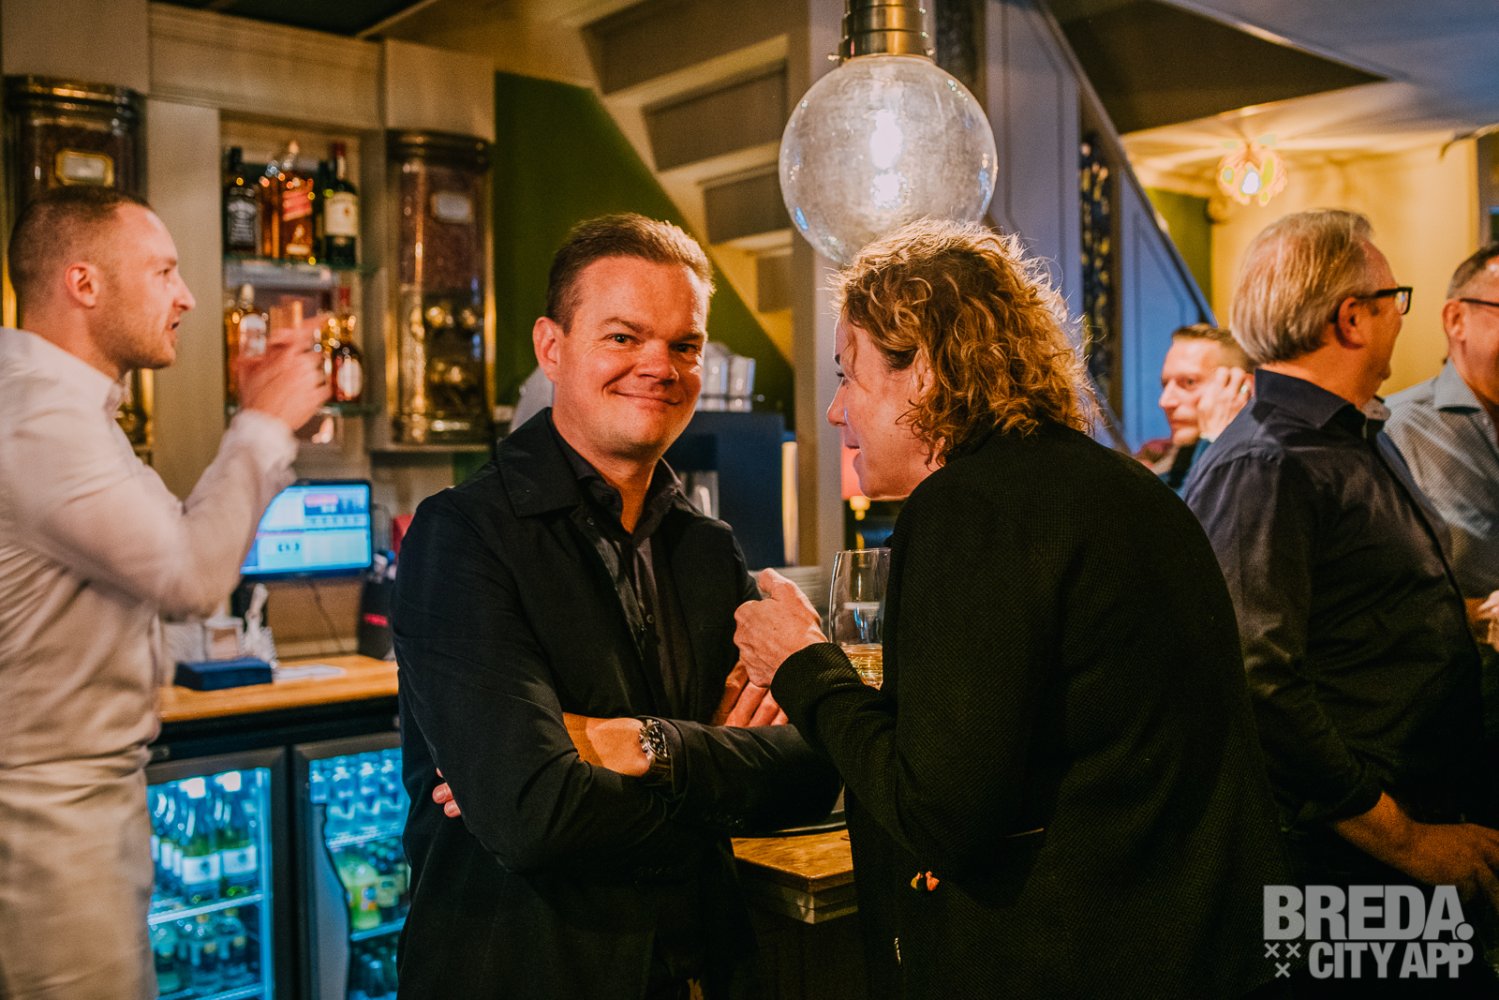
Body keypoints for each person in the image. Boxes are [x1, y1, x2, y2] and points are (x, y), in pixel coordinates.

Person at [733, 218, 1287, 998]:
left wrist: (802, 665)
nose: (835, 411)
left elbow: (939, 816)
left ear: (923, 371)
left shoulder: (968, 507)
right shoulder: (1123, 486)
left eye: (847, 375)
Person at [393, 213, 838, 999]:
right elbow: (534, 817)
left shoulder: (708, 549)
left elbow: (812, 771)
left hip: (699, 971)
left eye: (684, 345)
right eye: (623, 337)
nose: (658, 366)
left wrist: (641, 747)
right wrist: (715, 771)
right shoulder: (463, 533)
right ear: (551, 347)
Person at [0, 186, 327, 999]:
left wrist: (255, 423)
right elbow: (191, 579)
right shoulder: (39, 418)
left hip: (79, 802)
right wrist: (262, 426)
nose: (185, 297)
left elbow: (178, 542)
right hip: (46, 818)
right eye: (163, 272)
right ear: (84, 283)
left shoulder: (73, 413)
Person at [1184, 209, 1499, 993]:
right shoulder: (1268, 460)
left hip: (1405, 835)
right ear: (1351, 318)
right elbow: (1255, 683)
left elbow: (1364, 616)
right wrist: (1410, 841)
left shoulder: (1348, 438)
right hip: (1348, 860)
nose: (1401, 315)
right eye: (1393, 298)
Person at [1137, 322, 1253, 491]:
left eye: (1189, 382)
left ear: (1241, 386)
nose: (1165, 402)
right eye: (1165, 384)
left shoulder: (1262, 461)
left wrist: (1215, 441)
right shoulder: (1172, 465)